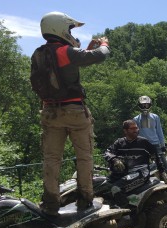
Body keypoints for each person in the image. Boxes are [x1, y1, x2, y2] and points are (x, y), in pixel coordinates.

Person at [31, 11, 110, 216]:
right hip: (74, 111)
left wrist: (85, 49)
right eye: (68, 28)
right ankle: (85, 200)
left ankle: (50, 204)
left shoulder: (38, 54)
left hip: (49, 112)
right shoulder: (65, 51)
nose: (70, 32)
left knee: (51, 159)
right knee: (84, 157)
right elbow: (100, 56)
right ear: (59, 28)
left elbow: (62, 65)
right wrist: (103, 44)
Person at [104, 120, 167, 205]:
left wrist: (162, 172)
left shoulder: (143, 142)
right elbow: (107, 152)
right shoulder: (119, 142)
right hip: (122, 174)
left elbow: (156, 156)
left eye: (136, 128)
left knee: (116, 188)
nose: (136, 130)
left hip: (141, 173)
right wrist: (114, 159)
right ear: (125, 131)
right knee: (102, 186)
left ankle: (125, 213)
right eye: (132, 128)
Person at [133, 96, 167, 168]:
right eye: (143, 105)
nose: (145, 107)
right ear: (139, 106)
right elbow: (135, 134)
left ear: (150, 105)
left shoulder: (155, 117)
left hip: (155, 144)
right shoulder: (136, 119)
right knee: (143, 167)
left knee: (165, 165)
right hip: (143, 145)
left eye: (147, 105)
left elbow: (159, 131)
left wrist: (163, 145)